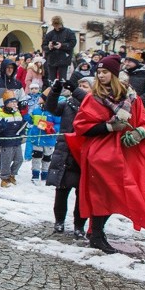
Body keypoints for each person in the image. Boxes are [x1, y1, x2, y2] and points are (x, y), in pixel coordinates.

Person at [67, 55, 145, 254]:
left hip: (124, 154)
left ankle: (97, 233)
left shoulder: (130, 97)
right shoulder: (93, 98)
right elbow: (82, 127)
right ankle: (97, 234)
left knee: (119, 193)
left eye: (105, 72)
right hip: (100, 154)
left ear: (115, 74)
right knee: (102, 195)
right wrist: (108, 127)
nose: (101, 75)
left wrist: (139, 133)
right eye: (99, 72)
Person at [46, 76, 91, 237]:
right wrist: (55, 90)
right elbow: (50, 108)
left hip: (84, 154)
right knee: (61, 191)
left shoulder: (94, 105)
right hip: (65, 152)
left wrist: (75, 90)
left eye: (85, 86)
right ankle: (59, 221)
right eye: (80, 85)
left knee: (82, 195)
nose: (81, 88)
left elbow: (88, 102)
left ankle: (79, 226)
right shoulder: (68, 104)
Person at [26, 91, 61, 183]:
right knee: (36, 157)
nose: (39, 99)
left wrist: (53, 128)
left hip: (48, 139)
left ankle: (45, 175)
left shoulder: (53, 112)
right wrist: (25, 114)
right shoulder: (36, 110)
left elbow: (58, 123)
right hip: (37, 139)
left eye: (41, 98)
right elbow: (30, 120)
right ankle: (35, 175)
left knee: (47, 158)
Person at [0, 91, 26, 188]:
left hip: (16, 140)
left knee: (19, 159)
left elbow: (21, 125)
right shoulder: (1, 114)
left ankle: (12, 174)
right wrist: (1, 126)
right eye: (12, 102)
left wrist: (23, 129)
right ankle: (4, 178)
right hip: (6, 141)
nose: (14, 104)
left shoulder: (17, 113)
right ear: (6, 103)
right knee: (6, 160)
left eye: (15, 102)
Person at [42, 16, 77, 81]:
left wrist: (62, 45)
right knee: (51, 80)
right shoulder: (50, 34)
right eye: (55, 25)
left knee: (63, 80)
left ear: (61, 24)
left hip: (64, 60)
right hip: (52, 60)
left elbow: (73, 43)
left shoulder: (69, 32)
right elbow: (43, 46)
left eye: (57, 25)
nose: (56, 27)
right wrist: (49, 47)